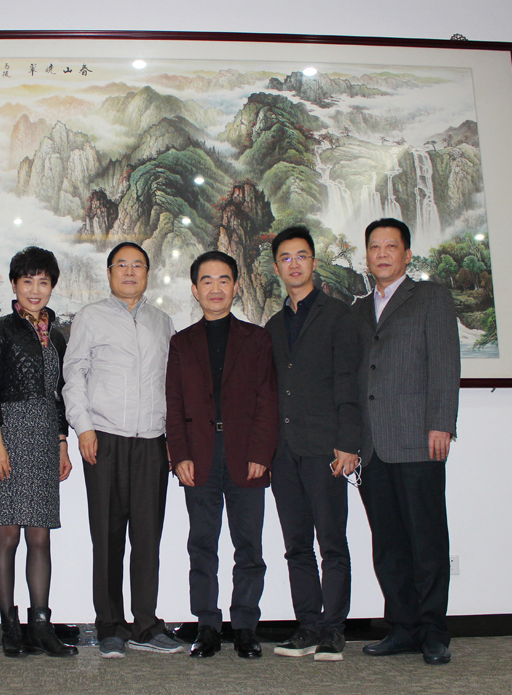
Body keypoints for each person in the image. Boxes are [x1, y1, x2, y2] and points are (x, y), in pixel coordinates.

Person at [62, 241, 183, 658]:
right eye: (122, 265)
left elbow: (172, 385)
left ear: (148, 272)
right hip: (104, 439)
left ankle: (146, 626)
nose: (130, 272)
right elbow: (74, 375)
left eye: (138, 265)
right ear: (110, 272)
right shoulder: (91, 317)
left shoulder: (162, 322)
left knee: (148, 539)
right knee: (108, 537)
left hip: (152, 442)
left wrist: (173, 438)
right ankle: (110, 626)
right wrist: (83, 427)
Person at [351, 218, 460, 666]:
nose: (381, 254)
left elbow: (445, 363)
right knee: (388, 545)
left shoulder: (431, 297)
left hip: (419, 439)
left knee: (427, 542)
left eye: (390, 246)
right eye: (374, 247)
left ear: (407, 254)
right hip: (372, 446)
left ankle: (433, 632)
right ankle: (402, 627)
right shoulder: (358, 309)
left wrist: (441, 423)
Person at [165, 250, 279, 659]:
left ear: (236, 286)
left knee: (249, 546)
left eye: (224, 280)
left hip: (247, 454)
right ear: (195, 290)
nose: (216, 288)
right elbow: (174, 404)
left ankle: (245, 626)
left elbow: (268, 401)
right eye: (207, 281)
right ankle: (207, 626)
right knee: (202, 545)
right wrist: (179, 455)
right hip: (199, 456)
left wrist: (262, 452)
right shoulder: (181, 342)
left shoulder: (257, 339)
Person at [264, 226, 362, 662]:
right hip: (284, 452)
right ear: (276, 267)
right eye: (286, 257)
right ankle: (306, 626)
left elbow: (348, 382)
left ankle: (333, 630)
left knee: (332, 543)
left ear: (314, 263)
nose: (294, 264)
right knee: (297, 546)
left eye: (301, 255)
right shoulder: (272, 326)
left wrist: (349, 442)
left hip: (326, 449)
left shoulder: (339, 315)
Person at [0, 246, 77, 658]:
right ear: (14, 284)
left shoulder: (57, 336)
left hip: (44, 435)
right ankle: (9, 627)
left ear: (52, 286)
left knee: (40, 536)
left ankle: (40, 625)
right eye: (27, 281)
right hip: (9, 432)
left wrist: (62, 443)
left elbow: (59, 396)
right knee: (7, 534)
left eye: (43, 281)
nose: (35, 289)